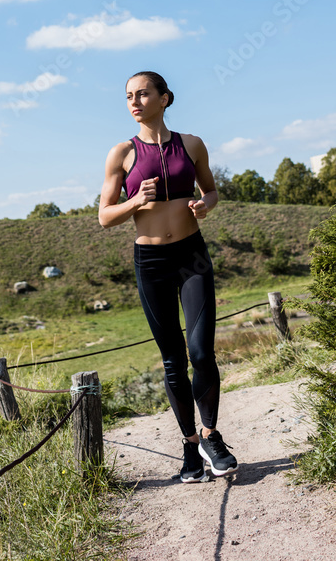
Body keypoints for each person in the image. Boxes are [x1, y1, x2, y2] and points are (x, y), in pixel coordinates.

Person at [98, 70, 238, 482]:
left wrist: (205, 205)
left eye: (142, 94)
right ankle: (190, 447)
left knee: (201, 352)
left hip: (192, 256)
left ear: (164, 98)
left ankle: (211, 436)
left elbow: (211, 190)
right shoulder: (122, 153)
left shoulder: (191, 145)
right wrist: (135, 201)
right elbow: (105, 216)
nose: (134, 101)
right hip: (151, 262)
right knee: (173, 360)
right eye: (129, 96)